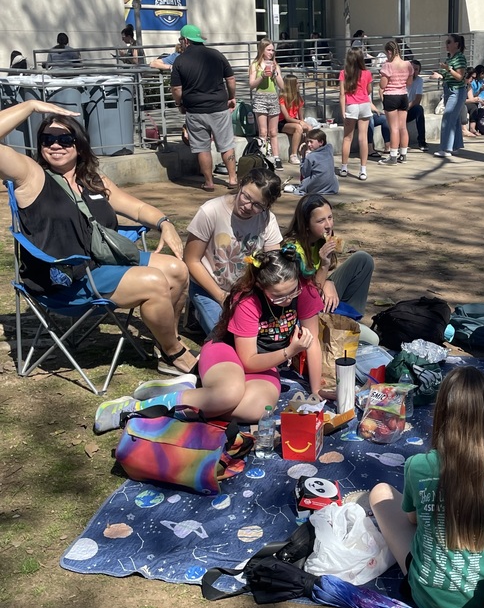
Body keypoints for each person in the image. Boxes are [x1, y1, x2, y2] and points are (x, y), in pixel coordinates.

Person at [0, 100, 195, 375]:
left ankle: (165, 344)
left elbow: (137, 208)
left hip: (100, 262)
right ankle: (175, 352)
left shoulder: (91, 179)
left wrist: (164, 223)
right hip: (66, 278)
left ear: (79, 145)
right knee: (153, 282)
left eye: (64, 139)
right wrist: (31, 106)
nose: (55, 145)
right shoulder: (31, 176)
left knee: (176, 270)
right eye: (47, 139)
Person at [369, 366, 484, 608]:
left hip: (425, 595)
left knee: (380, 492)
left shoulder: (418, 465)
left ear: (441, 413)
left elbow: (412, 520)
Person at [95, 248, 322, 433]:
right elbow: (249, 361)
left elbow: (313, 343)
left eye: (291, 292)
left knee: (257, 410)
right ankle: (135, 409)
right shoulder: (248, 302)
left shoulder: (305, 291)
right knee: (228, 394)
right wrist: (289, 352)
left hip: (265, 363)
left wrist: (316, 392)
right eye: (278, 296)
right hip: (229, 352)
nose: (287, 300)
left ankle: (189, 392)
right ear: (262, 287)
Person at [183, 166, 283, 336]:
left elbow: (274, 263)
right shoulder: (210, 211)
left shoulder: (267, 219)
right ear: (240, 184)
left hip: (247, 291)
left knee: (263, 335)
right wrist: (221, 296)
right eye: (246, 196)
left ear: (267, 206)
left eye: (258, 205)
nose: (248, 206)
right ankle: (197, 311)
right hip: (209, 288)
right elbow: (191, 260)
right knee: (229, 338)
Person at [282, 193, 377, 341]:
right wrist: (324, 265)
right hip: (303, 309)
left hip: (319, 289)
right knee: (372, 339)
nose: (328, 225)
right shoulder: (292, 250)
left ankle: (349, 320)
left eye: (330, 217)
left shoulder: (321, 240)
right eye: (320, 221)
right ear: (306, 224)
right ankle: (341, 330)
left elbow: (320, 279)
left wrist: (328, 281)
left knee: (363, 260)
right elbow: (308, 296)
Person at [171, 24, 238, 191]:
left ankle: (209, 183)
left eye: (181, 40)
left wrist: (180, 104)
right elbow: (230, 80)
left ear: (186, 41)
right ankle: (232, 179)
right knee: (226, 144)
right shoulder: (216, 55)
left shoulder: (180, 60)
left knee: (202, 148)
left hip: (195, 111)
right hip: (219, 108)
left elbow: (176, 89)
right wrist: (231, 97)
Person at [249, 39, 285, 169]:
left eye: (272, 50)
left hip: (273, 97)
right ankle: (263, 156)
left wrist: (275, 74)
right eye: (269, 50)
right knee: (263, 131)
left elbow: (282, 86)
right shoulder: (255, 65)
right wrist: (262, 76)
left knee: (273, 131)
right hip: (260, 98)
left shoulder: (276, 65)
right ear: (262, 50)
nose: (271, 52)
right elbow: (251, 85)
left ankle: (276, 157)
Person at [338, 49, 373, 182]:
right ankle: (363, 170)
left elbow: (342, 94)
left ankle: (344, 167)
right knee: (363, 138)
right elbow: (369, 90)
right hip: (364, 104)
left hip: (351, 105)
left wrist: (342, 111)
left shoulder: (344, 73)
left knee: (347, 138)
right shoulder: (367, 73)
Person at [433, 33, 468, 160]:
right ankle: (455, 146)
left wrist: (448, 69)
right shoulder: (450, 59)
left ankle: (446, 148)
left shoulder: (460, 58)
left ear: (456, 44)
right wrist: (439, 75)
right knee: (455, 119)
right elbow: (449, 76)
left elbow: (459, 77)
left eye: (449, 42)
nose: (446, 44)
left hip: (456, 92)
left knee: (448, 118)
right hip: (449, 90)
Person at [378, 39, 413, 164]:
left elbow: (383, 85)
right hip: (403, 95)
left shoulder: (387, 65)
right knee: (403, 127)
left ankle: (393, 156)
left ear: (389, 51)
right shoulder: (408, 64)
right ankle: (403, 154)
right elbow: (409, 82)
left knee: (393, 128)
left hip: (391, 96)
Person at [283, 128, 339, 197]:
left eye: (311, 142)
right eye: (307, 142)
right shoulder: (329, 149)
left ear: (321, 142)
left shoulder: (310, 157)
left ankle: (298, 188)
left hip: (316, 188)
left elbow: (305, 173)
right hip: (332, 188)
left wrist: (303, 157)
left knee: (306, 180)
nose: (308, 144)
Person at [279, 74, 311, 165]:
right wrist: (300, 122)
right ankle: (293, 155)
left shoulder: (299, 98)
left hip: (294, 120)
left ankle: (308, 151)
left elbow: (301, 116)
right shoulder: (282, 98)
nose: (299, 84)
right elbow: (287, 118)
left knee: (309, 128)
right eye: (297, 83)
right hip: (282, 122)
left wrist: (303, 122)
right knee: (298, 128)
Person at [406, 58, 428, 152]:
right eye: (412, 68)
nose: (413, 71)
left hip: (409, 109)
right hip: (398, 109)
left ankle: (422, 141)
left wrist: (407, 107)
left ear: (419, 72)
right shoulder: (402, 79)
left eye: (416, 69)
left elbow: (417, 99)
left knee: (419, 109)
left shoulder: (419, 81)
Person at [466, 65, 484, 136]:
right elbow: (459, 100)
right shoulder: (461, 85)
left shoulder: (469, 85)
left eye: (474, 78)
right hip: (459, 103)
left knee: (474, 106)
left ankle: (473, 128)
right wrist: (475, 99)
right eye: (472, 78)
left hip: (468, 102)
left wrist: (475, 100)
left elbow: (471, 98)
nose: (473, 80)